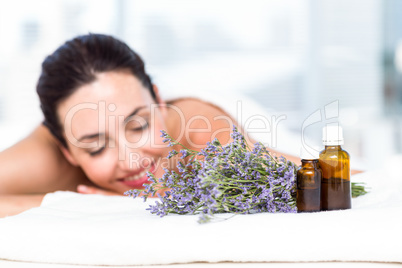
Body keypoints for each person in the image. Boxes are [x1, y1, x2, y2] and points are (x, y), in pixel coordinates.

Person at [0, 33, 299, 217]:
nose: (130, 159)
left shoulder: (202, 135)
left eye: (139, 126)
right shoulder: (49, 157)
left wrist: (124, 206)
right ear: (65, 149)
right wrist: (78, 204)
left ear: (158, 100)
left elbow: (328, 178)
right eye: (96, 147)